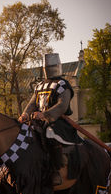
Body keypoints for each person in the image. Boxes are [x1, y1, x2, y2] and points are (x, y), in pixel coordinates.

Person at [18, 53, 82, 186]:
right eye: (48, 66)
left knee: (50, 134)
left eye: (51, 65)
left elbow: (62, 106)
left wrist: (45, 115)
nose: (49, 68)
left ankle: (55, 171)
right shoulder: (40, 85)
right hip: (38, 121)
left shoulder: (63, 84)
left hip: (57, 121)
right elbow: (32, 104)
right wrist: (24, 114)